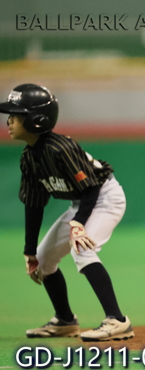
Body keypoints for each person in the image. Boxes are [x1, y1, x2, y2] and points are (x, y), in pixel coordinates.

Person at [1, 83, 134, 342]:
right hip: (81, 203)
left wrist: (79, 224)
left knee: (82, 248)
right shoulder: (29, 158)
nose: (9, 121)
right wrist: (29, 250)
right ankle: (64, 320)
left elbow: (91, 188)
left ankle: (117, 320)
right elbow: (34, 205)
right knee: (44, 260)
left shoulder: (60, 148)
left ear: (37, 120)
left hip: (105, 198)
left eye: (16, 116)